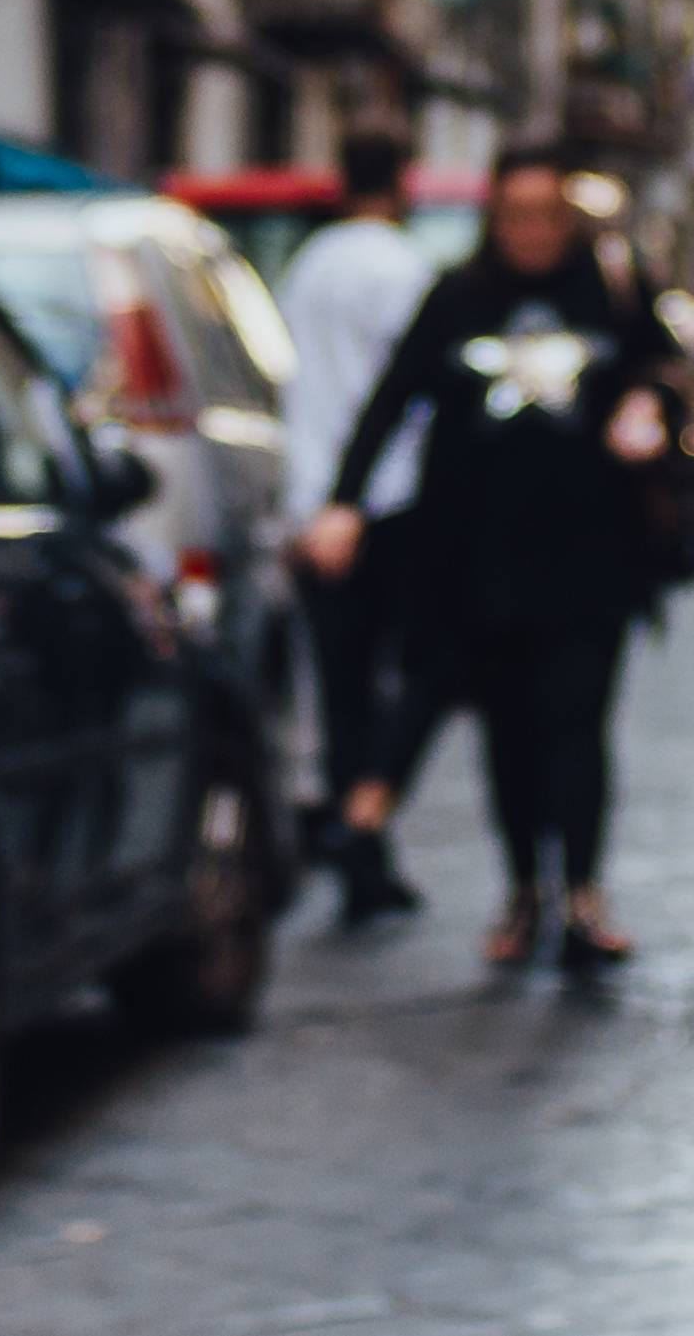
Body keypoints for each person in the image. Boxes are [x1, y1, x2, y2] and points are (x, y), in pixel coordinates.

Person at [303, 142, 684, 979]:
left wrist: (647, 403)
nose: (532, 231)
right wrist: (344, 500)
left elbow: (666, 369)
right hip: (477, 561)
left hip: (589, 555)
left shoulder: (611, 291)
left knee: (577, 723)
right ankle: (523, 894)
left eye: (547, 214)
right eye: (515, 214)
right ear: (493, 218)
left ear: (569, 218)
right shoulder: (458, 296)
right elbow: (391, 398)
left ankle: (583, 895)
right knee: (509, 734)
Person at [266, 125, 442, 923]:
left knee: (343, 684)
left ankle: (360, 849)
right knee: (418, 671)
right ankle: (363, 832)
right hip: (390, 498)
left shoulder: (308, 266)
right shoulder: (402, 268)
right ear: (402, 177)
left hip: (313, 500)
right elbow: (413, 389)